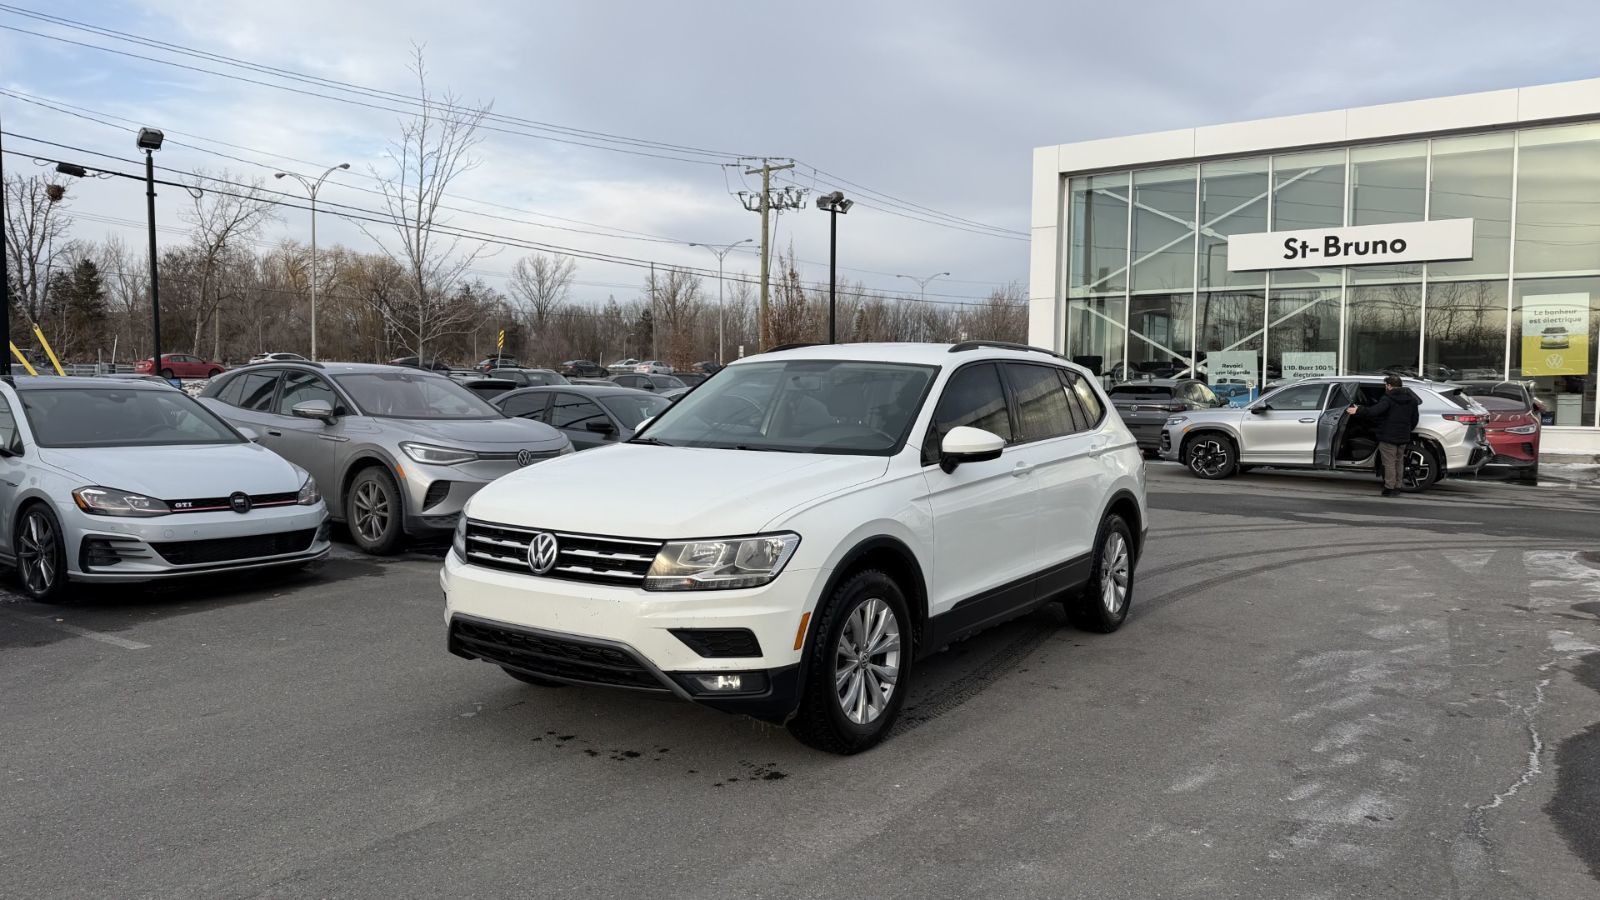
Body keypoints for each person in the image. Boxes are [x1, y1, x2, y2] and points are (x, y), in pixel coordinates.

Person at [1346, 375, 1421, 497]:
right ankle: (1397, 487)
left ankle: (1389, 488)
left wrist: (1358, 410)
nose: (1385, 387)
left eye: (1386, 385)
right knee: (1399, 462)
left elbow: (1374, 412)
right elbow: (1414, 419)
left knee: (1389, 463)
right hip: (1403, 437)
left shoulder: (1388, 399)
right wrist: (1406, 430)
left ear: (1389, 386)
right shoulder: (1411, 400)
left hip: (1388, 437)